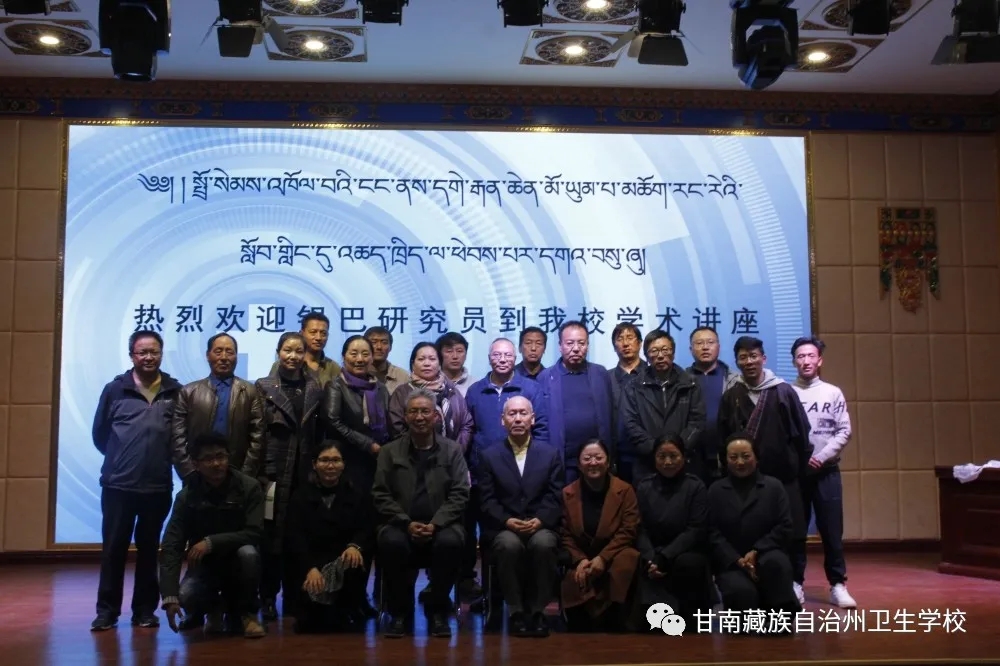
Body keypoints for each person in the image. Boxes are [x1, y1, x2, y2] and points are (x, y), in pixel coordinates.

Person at [90, 330, 183, 631]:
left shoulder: (174, 391)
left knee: (149, 550)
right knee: (113, 550)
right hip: (118, 486)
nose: (148, 357)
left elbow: (179, 438)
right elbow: (100, 435)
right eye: (142, 352)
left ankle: (144, 611)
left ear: (161, 354)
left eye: (154, 351)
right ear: (132, 355)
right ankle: (107, 612)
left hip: (157, 486)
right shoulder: (115, 389)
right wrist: (121, 458)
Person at [717, 335, 812, 605]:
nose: (749, 362)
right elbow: (723, 435)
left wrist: (797, 470)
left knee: (792, 533)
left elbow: (801, 435)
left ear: (764, 358)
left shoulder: (783, 391)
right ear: (737, 361)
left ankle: (795, 582)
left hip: (782, 478)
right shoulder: (732, 395)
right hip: (743, 481)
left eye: (753, 356)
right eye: (743, 357)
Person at [372, 389, 470, 639]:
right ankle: (400, 612)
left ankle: (437, 609)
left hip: (442, 524)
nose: (419, 417)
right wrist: (406, 523)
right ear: (405, 416)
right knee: (391, 542)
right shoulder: (389, 451)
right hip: (400, 524)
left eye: (425, 411)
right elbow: (381, 494)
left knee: (451, 542)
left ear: (436, 416)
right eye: (413, 411)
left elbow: (460, 493)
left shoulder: (452, 450)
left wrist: (436, 524)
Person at [464, 338, 549, 601]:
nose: (502, 359)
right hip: (485, 475)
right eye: (497, 355)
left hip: (525, 475)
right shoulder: (475, 391)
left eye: (508, 355)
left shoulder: (530, 388)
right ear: (489, 357)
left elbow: (542, 429)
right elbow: (468, 430)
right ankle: (492, 598)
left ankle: (525, 600)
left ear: (515, 357)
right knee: (491, 539)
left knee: (527, 542)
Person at [159, 432, 266, 639]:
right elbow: (172, 544)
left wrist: (211, 542)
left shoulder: (249, 487)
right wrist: (169, 596)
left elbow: (254, 533)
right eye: (208, 459)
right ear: (196, 464)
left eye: (221, 456)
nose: (216, 463)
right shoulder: (186, 496)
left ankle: (248, 614)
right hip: (205, 566)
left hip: (238, 563)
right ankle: (213, 610)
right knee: (186, 595)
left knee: (249, 554)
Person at [477, 396, 564, 637]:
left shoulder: (550, 454)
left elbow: (556, 495)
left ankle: (538, 612)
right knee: (509, 545)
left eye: (523, 413)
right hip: (504, 526)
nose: (517, 418)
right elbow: (486, 499)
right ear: (502, 420)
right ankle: (515, 612)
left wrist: (541, 520)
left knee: (544, 544)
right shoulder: (489, 456)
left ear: (532, 419)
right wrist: (506, 520)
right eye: (512, 413)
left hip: (540, 525)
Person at [254, 332, 326, 621]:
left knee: (298, 536)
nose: (293, 356)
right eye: (287, 350)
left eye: (298, 351)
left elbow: (319, 433)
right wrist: (261, 470)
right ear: (278, 352)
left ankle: (295, 597)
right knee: (271, 538)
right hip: (273, 471)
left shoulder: (314, 387)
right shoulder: (263, 386)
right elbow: (257, 432)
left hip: (304, 472)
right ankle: (268, 597)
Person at [790, 336, 856, 609]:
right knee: (795, 530)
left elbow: (844, 431)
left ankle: (838, 584)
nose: (806, 361)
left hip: (827, 471)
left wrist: (821, 456)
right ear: (794, 361)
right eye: (800, 356)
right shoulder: (786, 392)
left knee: (831, 530)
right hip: (797, 474)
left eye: (810, 356)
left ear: (820, 361)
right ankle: (795, 582)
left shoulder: (832, 392)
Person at [708, 433, 800, 627]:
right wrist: (737, 559)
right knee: (743, 599)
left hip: (767, 554)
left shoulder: (774, 487)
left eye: (746, 456)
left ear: (756, 457)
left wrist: (757, 550)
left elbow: (785, 526)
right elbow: (711, 532)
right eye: (733, 457)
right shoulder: (715, 490)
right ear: (725, 460)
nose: (740, 462)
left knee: (777, 564)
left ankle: (780, 618)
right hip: (732, 561)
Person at [285, 441, 375, 633]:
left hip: (343, 560)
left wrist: (354, 546)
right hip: (311, 562)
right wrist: (310, 569)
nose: (330, 465)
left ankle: (351, 607)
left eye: (335, 460)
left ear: (343, 464)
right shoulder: (300, 496)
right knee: (311, 622)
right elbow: (295, 537)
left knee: (354, 561)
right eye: (324, 460)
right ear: (314, 464)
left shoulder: (357, 493)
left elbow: (366, 527)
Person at [560, 440, 639, 633]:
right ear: (579, 464)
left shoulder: (625, 490)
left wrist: (603, 558)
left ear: (608, 462)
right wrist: (580, 559)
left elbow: (628, 530)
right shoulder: (567, 493)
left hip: (614, 553)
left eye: (598, 457)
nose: (593, 462)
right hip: (581, 557)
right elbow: (564, 533)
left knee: (627, 558)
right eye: (587, 458)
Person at [634, 437, 711, 630]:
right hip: (652, 553)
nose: (667, 462)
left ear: (683, 457)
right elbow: (639, 527)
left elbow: (696, 529)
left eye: (673, 456)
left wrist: (665, 556)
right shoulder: (644, 486)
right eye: (662, 456)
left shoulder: (695, 486)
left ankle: (688, 623)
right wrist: (651, 557)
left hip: (684, 550)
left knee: (690, 563)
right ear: (654, 459)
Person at [172, 333, 265, 479]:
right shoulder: (188, 392)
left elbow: (257, 437)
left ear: (236, 357)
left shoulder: (250, 391)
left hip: (237, 475)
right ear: (207, 355)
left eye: (230, 352)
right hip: (197, 476)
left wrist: (245, 476)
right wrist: (190, 473)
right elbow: (178, 438)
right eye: (218, 351)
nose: (224, 357)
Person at [622, 330, 706, 484]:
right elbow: (631, 424)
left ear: (673, 353)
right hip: (647, 465)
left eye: (665, 350)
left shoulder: (690, 383)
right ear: (646, 356)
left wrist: (676, 451)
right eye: (654, 351)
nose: (660, 356)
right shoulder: (634, 386)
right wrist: (657, 451)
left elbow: (697, 421)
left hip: (685, 463)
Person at [537, 321, 616, 484]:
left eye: (581, 343)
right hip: (561, 461)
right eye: (569, 343)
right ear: (560, 346)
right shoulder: (545, 377)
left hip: (596, 460)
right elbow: (540, 423)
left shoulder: (600, 373)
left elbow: (611, 416)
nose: (576, 348)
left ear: (587, 345)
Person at [325, 335, 391, 492]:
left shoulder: (380, 388)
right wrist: (368, 444)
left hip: (378, 459)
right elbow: (333, 422)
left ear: (372, 358)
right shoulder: (336, 386)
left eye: (365, 354)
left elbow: (389, 421)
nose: (360, 359)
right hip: (348, 459)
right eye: (354, 354)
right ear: (344, 357)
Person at [388, 342, 473, 453]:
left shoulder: (451, 391)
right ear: (413, 364)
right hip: (412, 457)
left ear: (439, 364)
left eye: (432, 359)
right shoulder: (402, 392)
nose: (427, 363)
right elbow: (397, 427)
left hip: (450, 456)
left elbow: (466, 424)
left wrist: (455, 451)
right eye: (421, 359)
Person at [687, 326, 739, 486]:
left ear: (718, 346)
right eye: (699, 343)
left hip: (727, 455)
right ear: (691, 349)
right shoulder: (682, 380)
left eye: (710, 342)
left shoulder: (735, 380)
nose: (705, 347)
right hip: (692, 456)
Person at [609, 323, 645, 483]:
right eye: (620, 339)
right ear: (614, 346)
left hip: (648, 454)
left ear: (640, 343)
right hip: (617, 456)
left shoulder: (652, 375)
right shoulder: (606, 378)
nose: (625, 343)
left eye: (630, 338)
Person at [269, 312, 341, 387]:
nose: (318, 338)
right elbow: (270, 390)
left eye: (323, 333)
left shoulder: (333, 368)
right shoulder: (283, 364)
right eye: (313, 332)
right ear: (301, 333)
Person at [365, 326, 410, 395]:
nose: (379, 347)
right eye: (374, 342)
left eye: (384, 342)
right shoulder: (358, 374)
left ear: (390, 347)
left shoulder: (403, 376)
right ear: (365, 346)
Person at [437, 331, 472, 397]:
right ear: (439, 355)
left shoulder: (475, 385)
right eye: (449, 351)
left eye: (459, 351)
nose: (455, 356)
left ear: (466, 354)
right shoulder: (431, 382)